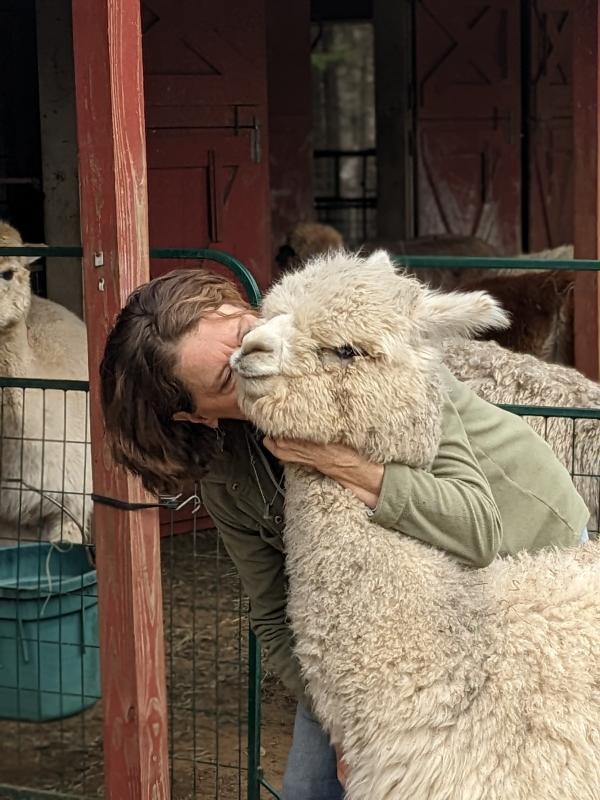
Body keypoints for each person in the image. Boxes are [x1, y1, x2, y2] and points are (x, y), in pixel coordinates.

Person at [100, 268, 590, 800]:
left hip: (523, 541)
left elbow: (477, 530)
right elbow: (271, 611)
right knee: (314, 786)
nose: (259, 350)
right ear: (193, 416)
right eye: (224, 380)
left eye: (248, 331)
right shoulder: (228, 475)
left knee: (520, 763)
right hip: (385, 612)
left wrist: (350, 468)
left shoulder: (375, 371)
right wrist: (347, 721)